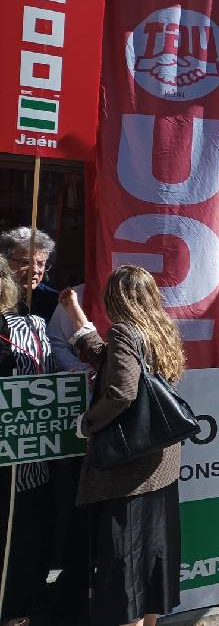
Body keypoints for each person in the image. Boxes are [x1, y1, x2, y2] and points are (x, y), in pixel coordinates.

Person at [58, 266, 188, 624]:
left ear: (116, 298)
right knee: (152, 560)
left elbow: (122, 390)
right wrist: (76, 315)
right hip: (159, 464)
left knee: (124, 569)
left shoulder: (124, 331)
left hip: (128, 470)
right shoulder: (160, 328)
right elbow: (112, 361)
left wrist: (87, 424)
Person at [0, 259, 57, 624]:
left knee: (26, 530)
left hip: (31, 452)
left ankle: (20, 603)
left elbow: (48, 376)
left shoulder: (36, 324)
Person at [0, 226, 58, 322]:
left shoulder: (52, 300)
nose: (35, 270)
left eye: (41, 264)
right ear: (5, 260)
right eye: (26, 262)